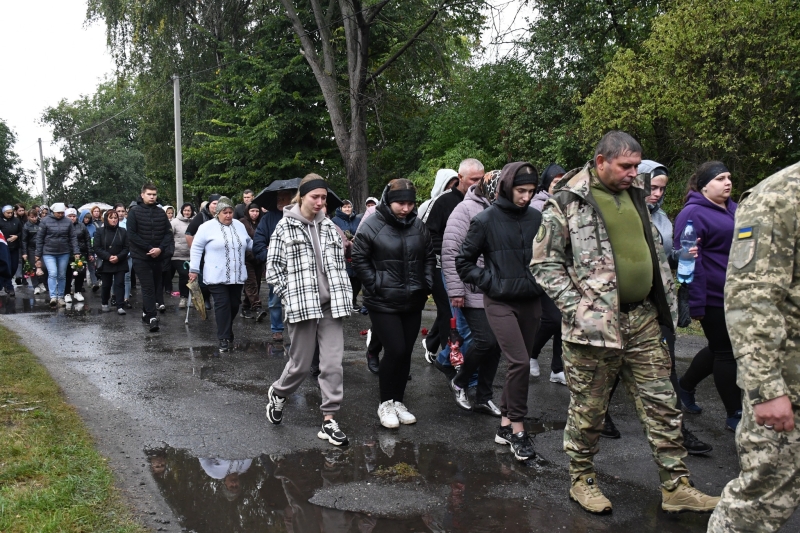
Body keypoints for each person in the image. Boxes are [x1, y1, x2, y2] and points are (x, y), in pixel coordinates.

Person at [531, 131, 719, 514]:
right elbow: (544, 262)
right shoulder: (567, 199)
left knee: (663, 404)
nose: (635, 173)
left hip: (643, 321)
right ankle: (582, 480)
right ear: (601, 161)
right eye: (626, 166)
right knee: (589, 410)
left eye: (637, 166)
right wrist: (578, 309)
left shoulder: (636, 195)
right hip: (593, 330)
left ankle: (676, 486)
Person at [707, 161, 800, 533]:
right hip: (790, 386)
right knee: (762, 499)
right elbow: (751, 297)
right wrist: (766, 389)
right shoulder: (781, 195)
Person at [600, 160, 713, 453]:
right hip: (618, 306)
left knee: (666, 367)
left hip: (657, 304)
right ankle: (597, 416)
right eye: (653, 186)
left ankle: (677, 432)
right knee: (611, 367)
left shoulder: (662, 218)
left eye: (662, 188)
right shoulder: (617, 211)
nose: (657, 193)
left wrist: (681, 254)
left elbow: (661, 257)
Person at [457, 162, 543, 461]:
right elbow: (463, 262)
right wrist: (491, 282)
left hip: (532, 300)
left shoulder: (537, 217)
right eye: (521, 190)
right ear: (507, 187)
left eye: (531, 191)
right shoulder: (485, 219)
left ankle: (504, 426)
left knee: (520, 364)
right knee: (519, 363)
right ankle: (518, 429)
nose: (526, 197)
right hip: (500, 301)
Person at [265, 174, 352, 447]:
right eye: (315, 196)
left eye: (324, 197)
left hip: (330, 306)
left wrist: (344, 292)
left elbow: (339, 266)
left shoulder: (330, 227)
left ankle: (329, 420)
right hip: (302, 306)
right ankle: (279, 393)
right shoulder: (284, 228)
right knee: (300, 366)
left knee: (332, 364)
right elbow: (273, 270)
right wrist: (290, 297)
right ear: (302, 196)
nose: (320, 202)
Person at [353, 179, 434, 429]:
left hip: (413, 299)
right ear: (389, 201)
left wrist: (427, 282)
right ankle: (385, 403)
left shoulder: (418, 226)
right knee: (396, 349)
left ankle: (398, 401)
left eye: (410, 203)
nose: (406, 208)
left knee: (407, 352)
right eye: (401, 203)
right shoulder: (372, 225)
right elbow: (359, 256)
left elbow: (429, 255)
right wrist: (375, 283)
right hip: (382, 301)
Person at [673, 161, 742, 431]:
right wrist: (696, 302)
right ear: (704, 186)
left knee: (719, 347)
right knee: (727, 352)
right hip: (712, 294)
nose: (727, 182)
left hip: (736, 293)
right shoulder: (692, 215)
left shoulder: (734, 208)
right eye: (720, 179)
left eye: (729, 177)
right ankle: (734, 413)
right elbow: (688, 262)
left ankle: (685, 386)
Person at [441, 170, 502, 416]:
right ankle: (460, 381)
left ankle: (484, 397)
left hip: (500, 289)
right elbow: (451, 250)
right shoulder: (464, 210)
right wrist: (456, 289)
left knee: (497, 346)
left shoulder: (504, 210)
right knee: (485, 340)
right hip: (472, 288)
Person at [421, 159, 484, 363]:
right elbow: (427, 233)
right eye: (473, 179)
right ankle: (450, 358)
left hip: (473, 267)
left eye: (481, 179)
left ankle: (436, 347)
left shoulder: (483, 201)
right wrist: (455, 249)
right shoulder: (443, 202)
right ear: (460, 178)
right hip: (443, 265)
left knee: (463, 313)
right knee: (451, 313)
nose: (477, 183)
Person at [189, 196, 252, 352]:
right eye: (225, 212)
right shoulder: (206, 227)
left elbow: (249, 243)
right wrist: (194, 270)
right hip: (216, 275)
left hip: (237, 275)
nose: (229, 215)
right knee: (222, 305)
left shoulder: (239, 225)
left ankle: (227, 329)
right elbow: (196, 248)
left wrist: (263, 247)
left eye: (231, 212)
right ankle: (223, 337)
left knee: (234, 305)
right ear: (217, 213)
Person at [529, 163, 567, 383]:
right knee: (554, 318)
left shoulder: (567, 204)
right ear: (546, 184)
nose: (560, 186)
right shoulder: (537, 206)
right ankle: (531, 354)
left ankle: (558, 368)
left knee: (566, 319)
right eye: (556, 182)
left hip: (565, 270)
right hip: (543, 269)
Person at [127, 183, 174, 332]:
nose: (152, 197)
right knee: (147, 286)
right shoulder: (134, 212)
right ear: (142, 195)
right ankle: (152, 317)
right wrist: (149, 248)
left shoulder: (160, 212)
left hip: (158, 256)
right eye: (149, 194)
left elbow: (168, 233)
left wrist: (160, 249)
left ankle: (145, 312)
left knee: (155, 286)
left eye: (154, 194)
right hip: (141, 256)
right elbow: (132, 234)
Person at [253, 187, 296, 337]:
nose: (279, 200)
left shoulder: (301, 217)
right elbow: (258, 243)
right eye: (278, 198)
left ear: (293, 199)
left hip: (296, 268)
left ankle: (296, 330)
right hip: (276, 267)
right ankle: (277, 329)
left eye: (283, 197)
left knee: (297, 301)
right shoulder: (268, 218)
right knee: (274, 300)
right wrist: (271, 255)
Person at [35, 202, 80, 307]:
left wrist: (76, 252)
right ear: (53, 212)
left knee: (61, 275)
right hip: (48, 252)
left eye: (62, 213)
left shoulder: (68, 222)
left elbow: (73, 238)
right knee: (53, 273)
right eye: (58, 213)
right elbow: (39, 238)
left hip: (64, 252)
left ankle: (60, 297)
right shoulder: (45, 221)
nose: (60, 214)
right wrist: (38, 254)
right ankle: (53, 296)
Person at [185, 194, 220, 310]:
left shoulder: (223, 216)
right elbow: (189, 233)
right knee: (203, 281)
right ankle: (205, 299)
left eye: (218, 203)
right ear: (209, 205)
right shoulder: (201, 216)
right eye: (214, 203)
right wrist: (194, 249)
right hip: (204, 255)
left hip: (218, 254)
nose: (216, 206)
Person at [94, 209, 129, 315]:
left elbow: (127, 247)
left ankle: (120, 305)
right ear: (106, 219)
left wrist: (118, 257)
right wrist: (108, 257)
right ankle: (104, 302)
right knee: (106, 285)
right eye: (111, 218)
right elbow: (97, 247)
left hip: (120, 261)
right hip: (106, 262)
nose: (114, 220)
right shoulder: (100, 231)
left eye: (115, 218)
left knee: (119, 283)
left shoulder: (123, 231)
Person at [331, 200, 361, 311]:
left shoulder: (357, 219)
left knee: (357, 278)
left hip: (357, 251)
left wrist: (356, 238)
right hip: (343, 252)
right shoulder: (334, 220)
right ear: (340, 208)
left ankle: (354, 300)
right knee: (346, 277)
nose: (347, 209)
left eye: (349, 207)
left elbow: (362, 231)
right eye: (345, 207)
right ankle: (347, 301)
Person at [239, 203, 264, 319]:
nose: (254, 214)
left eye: (257, 211)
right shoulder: (242, 222)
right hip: (246, 258)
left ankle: (245, 306)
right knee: (251, 282)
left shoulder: (262, 222)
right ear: (248, 211)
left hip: (259, 257)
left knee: (257, 284)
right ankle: (257, 307)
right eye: (252, 211)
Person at [64, 209, 94, 303]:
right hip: (67, 253)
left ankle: (78, 291)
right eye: (70, 216)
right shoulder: (63, 226)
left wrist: (90, 253)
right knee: (67, 274)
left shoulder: (81, 226)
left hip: (81, 253)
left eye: (74, 216)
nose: (72, 218)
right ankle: (67, 293)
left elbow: (87, 240)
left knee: (80, 273)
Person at [171, 203, 194, 309]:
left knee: (193, 277)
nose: (187, 212)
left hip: (192, 255)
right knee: (184, 275)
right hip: (178, 255)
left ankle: (193, 298)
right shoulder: (174, 222)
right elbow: (169, 236)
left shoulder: (195, 222)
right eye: (185, 210)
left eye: (189, 210)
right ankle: (183, 298)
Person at [21, 208, 47, 294]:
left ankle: (41, 282)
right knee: (33, 268)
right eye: (32, 217)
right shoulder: (26, 226)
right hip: (31, 249)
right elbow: (24, 240)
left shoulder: (41, 224)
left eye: (35, 216)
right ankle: (35, 285)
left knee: (43, 266)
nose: (34, 219)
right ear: (28, 217)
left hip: (41, 248)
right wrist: (24, 253)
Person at [0, 205, 22, 296]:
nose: (9, 214)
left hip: (14, 247)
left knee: (14, 267)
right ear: (3, 213)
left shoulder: (16, 221)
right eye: (7, 213)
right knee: (6, 267)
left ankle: (5, 281)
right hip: (3, 249)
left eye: (11, 213)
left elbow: (22, 231)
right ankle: (9, 286)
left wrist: (17, 236)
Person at [114, 203, 134, 308]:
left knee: (127, 277)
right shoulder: (111, 223)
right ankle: (115, 297)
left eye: (123, 211)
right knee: (114, 277)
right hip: (114, 255)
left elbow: (132, 239)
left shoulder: (129, 224)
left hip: (127, 255)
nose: (121, 213)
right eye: (118, 211)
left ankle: (126, 298)